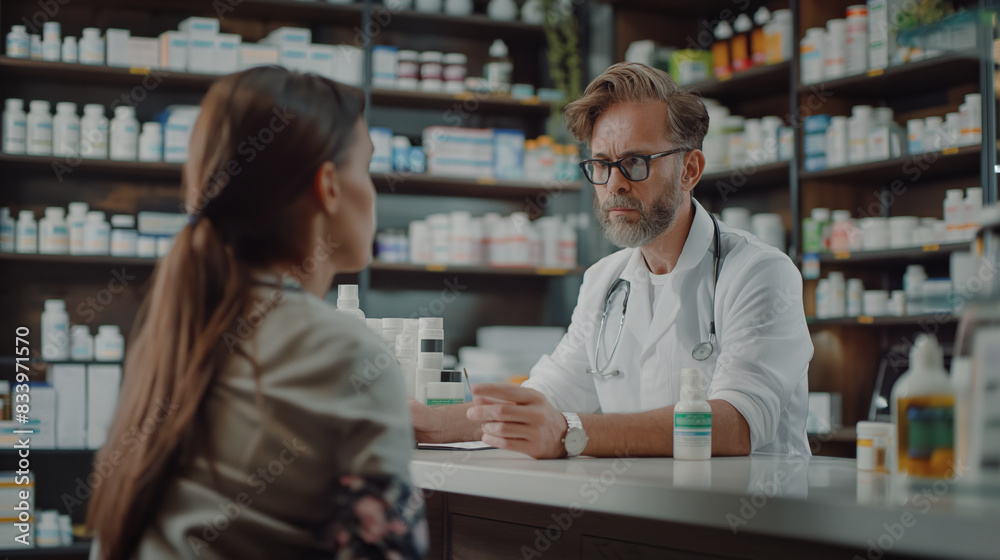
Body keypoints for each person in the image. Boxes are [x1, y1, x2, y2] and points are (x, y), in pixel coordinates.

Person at [87, 68, 426, 560]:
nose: (373, 193)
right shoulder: (345, 352)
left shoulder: (182, 328)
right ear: (328, 186)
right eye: (366, 168)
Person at [411, 62, 813, 459]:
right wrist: (420, 422)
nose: (614, 183)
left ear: (689, 170)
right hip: (636, 510)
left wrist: (572, 432)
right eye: (601, 164)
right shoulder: (604, 280)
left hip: (749, 515)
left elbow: (737, 424)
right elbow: (547, 396)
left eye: (635, 163)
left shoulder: (759, 273)